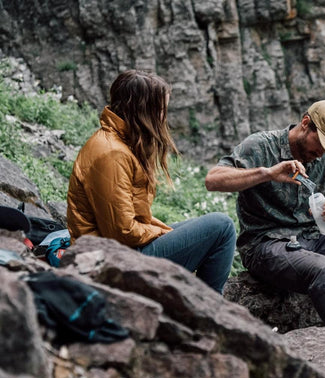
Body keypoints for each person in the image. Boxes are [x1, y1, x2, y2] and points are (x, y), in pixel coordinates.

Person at [205, 100, 325, 333]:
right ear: (305, 123)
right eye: (320, 143)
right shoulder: (261, 145)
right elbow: (213, 180)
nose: (321, 153)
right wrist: (267, 173)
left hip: (312, 239)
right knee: (323, 269)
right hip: (266, 244)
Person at [67, 70, 235, 294]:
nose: (164, 117)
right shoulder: (112, 154)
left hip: (118, 250)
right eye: (162, 109)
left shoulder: (119, 142)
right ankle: (210, 308)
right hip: (111, 261)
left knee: (203, 228)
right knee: (221, 226)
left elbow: (129, 221)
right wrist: (162, 234)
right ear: (143, 110)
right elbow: (122, 232)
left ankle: (200, 302)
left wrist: (163, 231)